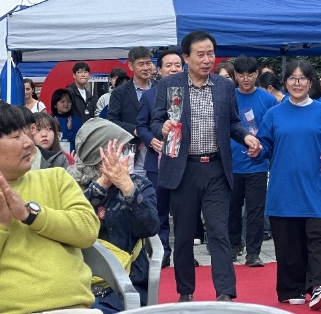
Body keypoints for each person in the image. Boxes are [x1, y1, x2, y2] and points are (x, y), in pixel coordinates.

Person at [150, 30, 260, 303]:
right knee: (184, 234)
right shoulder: (170, 85)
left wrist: (246, 137)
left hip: (216, 169)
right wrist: (163, 127)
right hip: (183, 169)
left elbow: (233, 123)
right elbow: (155, 121)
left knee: (219, 231)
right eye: (200, 54)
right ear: (186, 57)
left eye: (210, 53)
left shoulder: (224, 86)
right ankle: (185, 292)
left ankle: (225, 293)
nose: (207, 59)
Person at [252, 60, 321, 310]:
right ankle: (292, 288)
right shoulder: (274, 114)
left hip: (318, 188)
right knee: (288, 243)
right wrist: (257, 149)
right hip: (285, 189)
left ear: (311, 82)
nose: (297, 83)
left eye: (302, 78)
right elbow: (265, 146)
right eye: (292, 78)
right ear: (285, 82)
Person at [0, 101, 100, 314]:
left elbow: (88, 231)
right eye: (16, 137)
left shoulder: (55, 178)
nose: (28, 143)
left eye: (26, 134)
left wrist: (31, 214)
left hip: (73, 307)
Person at [68, 119, 159, 312]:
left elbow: (150, 227)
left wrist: (127, 188)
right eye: (121, 150)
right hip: (78, 283)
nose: (127, 156)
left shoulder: (139, 185)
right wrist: (101, 185)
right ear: (99, 158)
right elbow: (71, 224)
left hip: (126, 284)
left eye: (127, 149)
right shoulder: (71, 186)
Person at [228, 55, 277, 267]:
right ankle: (233, 245)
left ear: (257, 74)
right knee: (232, 209)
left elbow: (272, 131)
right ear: (235, 75)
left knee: (255, 210)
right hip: (231, 163)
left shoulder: (268, 100)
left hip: (257, 164)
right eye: (241, 75)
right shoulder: (228, 97)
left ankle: (253, 252)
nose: (246, 79)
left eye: (250, 74)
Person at [136, 49, 184, 269]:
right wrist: (151, 140)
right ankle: (162, 252)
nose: (173, 69)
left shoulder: (190, 93)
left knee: (184, 211)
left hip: (185, 161)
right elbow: (141, 126)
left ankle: (184, 254)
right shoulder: (149, 96)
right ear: (159, 69)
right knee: (160, 210)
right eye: (168, 65)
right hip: (158, 161)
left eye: (177, 65)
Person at [108, 47, 155, 177]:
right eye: (141, 64)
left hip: (157, 151)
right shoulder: (120, 93)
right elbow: (112, 121)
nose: (146, 68)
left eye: (148, 63)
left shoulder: (160, 88)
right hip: (132, 151)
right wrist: (135, 130)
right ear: (130, 66)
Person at [51, 88, 84, 153]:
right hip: (54, 155)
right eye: (62, 102)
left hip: (73, 155)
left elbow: (79, 141)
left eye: (69, 101)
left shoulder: (77, 121)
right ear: (55, 104)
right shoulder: (50, 120)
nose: (66, 104)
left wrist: (70, 130)